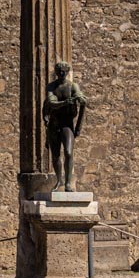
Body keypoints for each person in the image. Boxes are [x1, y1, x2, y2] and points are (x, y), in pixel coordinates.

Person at [42, 61, 87, 192]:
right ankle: (59, 180)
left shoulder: (73, 86)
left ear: (67, 72)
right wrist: (65, 103)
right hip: (54, 123)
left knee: (68, 152)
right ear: (56, 73)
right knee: (55, 155)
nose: (62, 74)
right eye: (59, 71)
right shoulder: (51, 86)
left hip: (67, 124)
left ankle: (68, 183)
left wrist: (80, 98)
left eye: (64, 71)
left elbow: (80, 97)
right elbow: (51, 102)